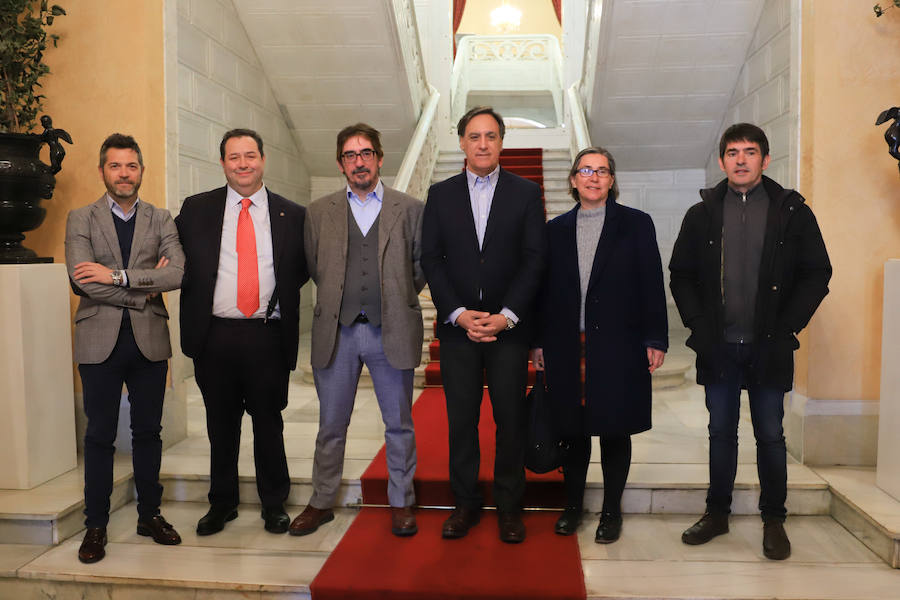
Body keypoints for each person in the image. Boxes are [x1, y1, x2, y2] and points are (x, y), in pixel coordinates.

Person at [669, 123, 831, 560]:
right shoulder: (701, 214)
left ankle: (774, 520)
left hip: (769, 345)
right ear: (722, 161)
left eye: (750, 152)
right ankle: (717, 514)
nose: (741, 160)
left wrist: (788, 326)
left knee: (771, 435)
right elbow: (681, 274)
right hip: (718, 345)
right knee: (721, 432)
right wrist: (698, 326)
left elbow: (818, 272)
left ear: (765, 159)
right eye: (733, 152)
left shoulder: (791, 211)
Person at [290, 123, 424, 538]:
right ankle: (321, 501)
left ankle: (401, 502)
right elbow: (316, 267)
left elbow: (419, 267)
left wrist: (395, 298)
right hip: (339, 333)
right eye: (350, 155)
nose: (359, 162)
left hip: (391, 330)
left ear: (380, 159)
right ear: (340, 164)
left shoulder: (410, 208)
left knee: (398, 424)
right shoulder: (319, 212)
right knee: (331, 425)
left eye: (366, 153)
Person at [175, 128, 309, 536]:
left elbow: (300, 269)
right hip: (214, 334)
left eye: (250, 155)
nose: (243, 164)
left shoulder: (292, 214)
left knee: (268, 422)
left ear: (263, 160)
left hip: (267, 335)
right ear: (223, 163)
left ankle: (274, 503)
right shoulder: (197, 209)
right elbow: (174, 255)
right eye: (234, 157)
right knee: (221, 424)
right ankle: (222, 503)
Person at [421, 106, 545, 543]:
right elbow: (431, 259)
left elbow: (535, 259)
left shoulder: (526, 193)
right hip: (459, 330)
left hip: (508, 330)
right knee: (462, 421)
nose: (483, 144)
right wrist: (457, 312)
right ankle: (465, 504)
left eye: (491, 136)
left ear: (502, 142)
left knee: (510, 420)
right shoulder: (440, 195)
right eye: (474, 136)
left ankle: (509, 508)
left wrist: (506, 316)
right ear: (462, 143)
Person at [531, 147, 668, 542]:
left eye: (602, 171)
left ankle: (611, 512)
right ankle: (573, 507)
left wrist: (655, 337)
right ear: (573, 180)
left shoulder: (636, 224)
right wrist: (537, 342)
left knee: (614, 429)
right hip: (566, 345)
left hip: (619, 344)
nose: (593, 177)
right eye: (586, 170)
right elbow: (542, 292)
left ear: (612, 180)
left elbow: (651, 283)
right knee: (572, 431)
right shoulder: (554, 230)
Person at [65, 133, 185, 563]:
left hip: (149, 342)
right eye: (115, 166)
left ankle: (150, 514)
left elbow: (177, 274)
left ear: (141, 171)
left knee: (148, 432)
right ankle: (95, 525)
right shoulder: (82, 218)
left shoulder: (161, 218)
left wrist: (115, 277)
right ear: (103, 171)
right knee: (99, 435)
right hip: (98, 342)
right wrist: (143, 289)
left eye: (131, 166)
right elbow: (82, 281)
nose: (124, 174)